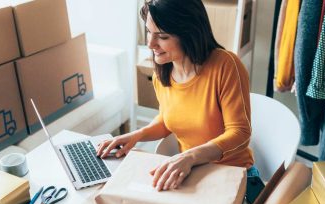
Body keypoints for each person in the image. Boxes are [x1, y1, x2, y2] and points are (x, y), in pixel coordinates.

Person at [97, 0, 254, 191]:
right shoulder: (161, 74)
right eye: (148, 32)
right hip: (191, 172)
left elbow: (240, 134)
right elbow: (167, 120)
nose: (150, 44)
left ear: (188, 33)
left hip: (232, 174)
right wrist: (135, 136)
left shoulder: (226, 65)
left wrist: (190, 156)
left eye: (162, 36)